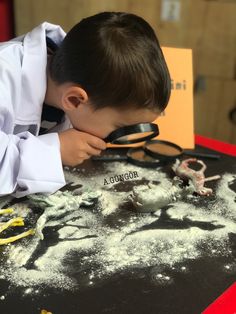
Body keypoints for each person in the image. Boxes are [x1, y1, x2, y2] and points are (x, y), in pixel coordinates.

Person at [0, 12, 171, 198]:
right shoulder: (4, 77)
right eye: (121, 128)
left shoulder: (80, 71)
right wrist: (54, 151)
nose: (124, 139)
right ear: (75, 100)